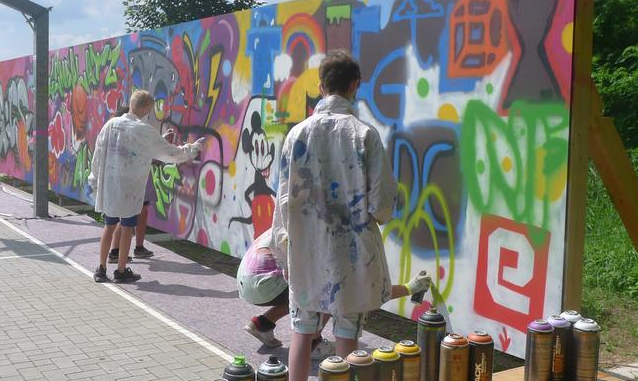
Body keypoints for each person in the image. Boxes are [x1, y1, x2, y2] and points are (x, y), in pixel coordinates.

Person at [270, 49, 398, 380]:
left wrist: (283, 247)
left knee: (302, 331)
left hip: (306, 250)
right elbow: (382, 201)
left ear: (320, 85)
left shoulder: (297, 134)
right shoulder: (364, 134)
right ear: (355, 85)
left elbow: (283, 200)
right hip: (352, 254)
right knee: (347, 337)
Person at [239, 227, 431, 358]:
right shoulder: (328, 238)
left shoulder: (298, 216)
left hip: (249, 279)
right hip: (267, 282)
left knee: (315, 289)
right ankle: (314, 344)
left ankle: (262, 324)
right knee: (334, 292)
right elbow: (365, 291)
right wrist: (409, 288)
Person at [89, 90, 204, 283]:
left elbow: (98, 154)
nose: (148, 113)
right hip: (131, 188)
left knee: (109, 226)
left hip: (111, 185)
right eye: (149, 110)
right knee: (127, 228)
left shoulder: (111, 125)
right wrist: (193, 149)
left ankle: (101, 269)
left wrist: (95, 180)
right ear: (143, 108)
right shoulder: (143, 129)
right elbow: (171, 153)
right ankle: (121, 270)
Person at [107, 106, 155, 263]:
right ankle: (118, 261)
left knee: (117, 222)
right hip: (132, 184)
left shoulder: (113, 135)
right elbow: (141, 157)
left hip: (127, 184)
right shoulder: (129, 137)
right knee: (126, 220)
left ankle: (113, 259)